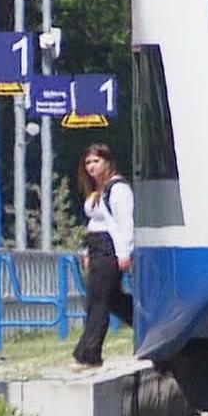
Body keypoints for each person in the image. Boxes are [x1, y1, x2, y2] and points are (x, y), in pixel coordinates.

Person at [72, 144, 135, 369]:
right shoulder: (98, 189)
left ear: (107, 161)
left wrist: (124, 253)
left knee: (98, 299)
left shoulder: (118, 189)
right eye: (88, 163)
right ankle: (147, 323)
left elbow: (124, 224)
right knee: (112, 299)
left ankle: (88, 354)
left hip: (111, 249)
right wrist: (88, 251)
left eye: (95, 161)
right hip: (97, 247)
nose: (91, 167)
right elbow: (95, 223)